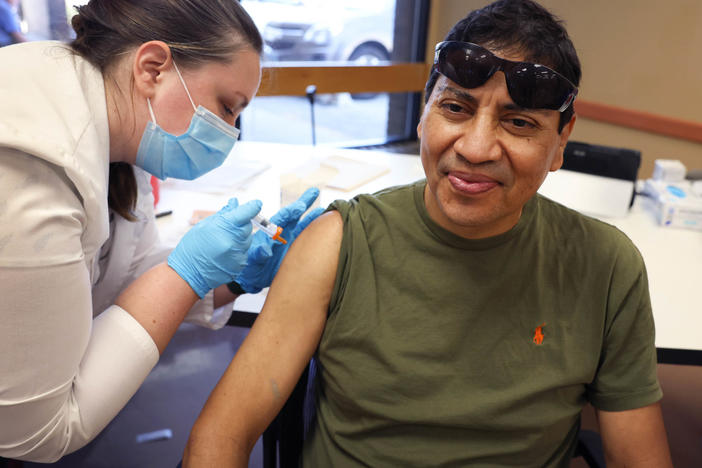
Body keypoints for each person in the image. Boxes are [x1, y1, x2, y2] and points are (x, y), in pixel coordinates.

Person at [183, 0, 674, 467]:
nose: (477, 148)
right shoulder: (338, 244)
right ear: (423, 114)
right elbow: (221, 434)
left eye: (519, 123)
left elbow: (636, 457)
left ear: (561, 143)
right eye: (456, 108)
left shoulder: (605, 268)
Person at [0, 0, 322, 462]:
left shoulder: (120, 134)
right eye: (227, 108)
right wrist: (187, 272)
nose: (230, 134)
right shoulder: (30, 161)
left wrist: (228, 280)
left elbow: (126, 277)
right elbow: (36, 432)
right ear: (152, 69)